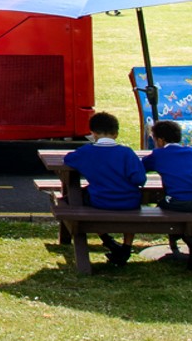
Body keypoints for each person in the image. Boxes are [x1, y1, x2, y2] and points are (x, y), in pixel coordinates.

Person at [63, 111, 147, 266]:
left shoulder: (86, 152)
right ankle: (126, 247)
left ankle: (108, 241)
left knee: (74, 199)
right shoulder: (126, 153)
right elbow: (140, 179)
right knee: (133, 213)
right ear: (116, 134)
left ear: (92, 133)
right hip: (129, 202)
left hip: (100, 200)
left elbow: (68, 159)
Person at [143, 119, 192, 269]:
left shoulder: (158, 155)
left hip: (178, 201)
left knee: (162, 206)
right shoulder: (191, 151)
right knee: (180, 212)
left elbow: (141, 166)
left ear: (160, 140)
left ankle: (189, 240)